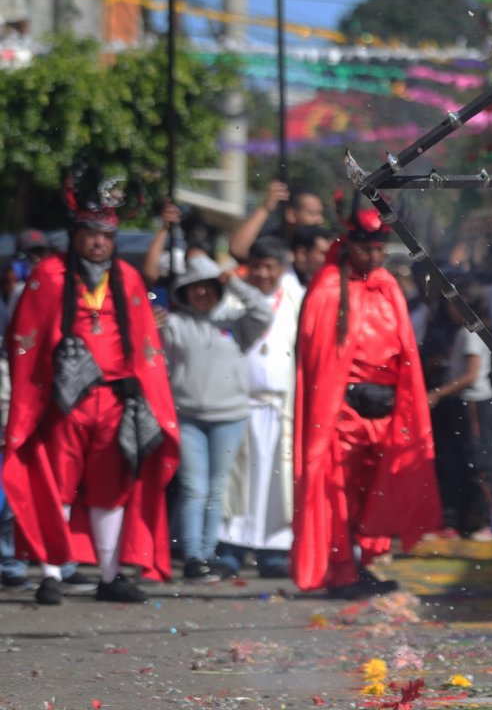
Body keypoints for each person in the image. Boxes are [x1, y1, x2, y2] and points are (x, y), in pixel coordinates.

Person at [1, 180, 179, 604]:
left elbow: (144, 342)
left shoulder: (129, 278)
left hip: (116, 398)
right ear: (75, 235)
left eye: (105, 236)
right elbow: (23, 339)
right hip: (64, 401)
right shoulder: (48, 275)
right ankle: (51, 574)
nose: (98, 243)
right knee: (56, 484)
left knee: (110, 488)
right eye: (90, 234)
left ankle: (110, 575)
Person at [293, 205, 441, 598]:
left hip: (385, 408)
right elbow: (321, 363)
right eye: (366, 249)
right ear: (349, 245)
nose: (373, 257)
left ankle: (369, 564)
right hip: (343, 412)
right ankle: (341, 570)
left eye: (380, 249)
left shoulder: (388, 285)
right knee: (338, 490)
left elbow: (404, 352)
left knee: (378, 489)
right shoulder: (327, 289)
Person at [158, 258, 272, 581]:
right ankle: (193, 556)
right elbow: (147, 348)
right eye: (195, 287)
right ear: (185, 292)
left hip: (230, 418)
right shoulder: (174, 324)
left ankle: (208, 554)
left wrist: (234, 282)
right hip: (188, 418)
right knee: (194, 487)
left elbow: (263, 312)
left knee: (216, 489)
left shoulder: (235, 323)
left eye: (209, 286)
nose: (202, 293)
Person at [219, 238, 303, 579]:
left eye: (271, 267)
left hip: (280, 404)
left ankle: (274, 548)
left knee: (275, 477)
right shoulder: (232, 296)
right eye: (258, 266)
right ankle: (231, 546)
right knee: (237, 476)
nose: (264, 273)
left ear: (282, 267)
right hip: (241, 400)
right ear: (249, 266)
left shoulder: (296, 297)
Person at [428, 281, 492, 538]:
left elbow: (470, 375)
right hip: (465, 403)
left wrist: (438, 392)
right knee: (463, 461)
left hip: (475, 404)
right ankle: (465, 520)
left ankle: (487, 521)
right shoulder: (464, 332)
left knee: (480, 462)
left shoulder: (471, 333)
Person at [228, 180, 326, 266]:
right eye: (313, 214)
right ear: (291, 215)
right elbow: (238, 249)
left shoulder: (324, 243)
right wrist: (265, 208)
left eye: (321, 214)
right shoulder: (274, 241)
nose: (320, 220)